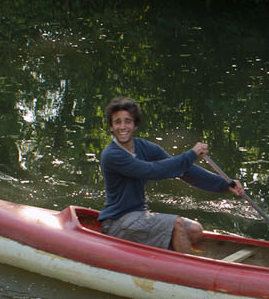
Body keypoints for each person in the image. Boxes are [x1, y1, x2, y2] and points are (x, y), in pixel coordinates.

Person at [97, 96, 243, 254]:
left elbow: (183, 170)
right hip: (117, 222)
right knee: (176, 224)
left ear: (135, 124)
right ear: (111, 127)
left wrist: (224, 184)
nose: (123, 126)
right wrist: (191, 154)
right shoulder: (112, 155)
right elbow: (151, 170)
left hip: (140, 216)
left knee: (195, 231)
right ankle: (190, 272)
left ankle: (168, 256)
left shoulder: (143, 147)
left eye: (128, 121)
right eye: (117, 122)